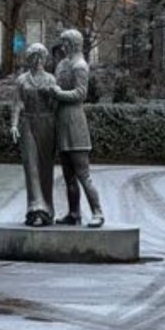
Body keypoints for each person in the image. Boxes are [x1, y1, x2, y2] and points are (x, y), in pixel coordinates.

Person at [50, 29, 104, 228]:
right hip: (62, 121)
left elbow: (81, 94)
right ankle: (74, 213)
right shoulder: (63, 64)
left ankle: (98, 212)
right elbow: (55, 86)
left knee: (83, 174)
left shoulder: (80, 66)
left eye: (65, 43)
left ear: (73, 44)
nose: (62, 46)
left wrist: (57, 93)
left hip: (75, 123)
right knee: (68, 175)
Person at [10, 43, 57, 227]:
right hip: (28, 123)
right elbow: (17, 103)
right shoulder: (22, 80)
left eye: (41, 57)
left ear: (45, 59)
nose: (37, 61)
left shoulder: (51, 79)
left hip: (47, 123)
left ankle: (48, 209)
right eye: (34, 57)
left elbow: (57, 105)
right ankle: (36, 208)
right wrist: (14, 125)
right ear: (29, 60)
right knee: (31, 167)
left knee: (46, 167)